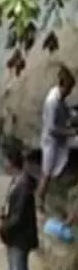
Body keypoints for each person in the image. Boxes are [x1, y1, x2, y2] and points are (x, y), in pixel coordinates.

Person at [38, 67, 77, 229]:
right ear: (63, 85)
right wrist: (70, 131)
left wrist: (72, 117)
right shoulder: (52, 102)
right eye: (69, 89)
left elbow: (65, 111)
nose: (69, 92)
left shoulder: (59, 96)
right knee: (47, 172)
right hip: (52, 140)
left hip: (60, 137)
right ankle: (39, 199)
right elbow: (52, 127)